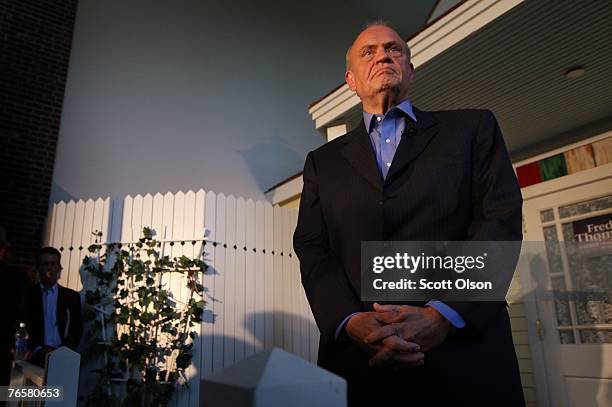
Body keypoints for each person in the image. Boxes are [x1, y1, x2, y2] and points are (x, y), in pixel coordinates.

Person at [293, 21, 524, 406]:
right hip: (362, 364)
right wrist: (351, 321)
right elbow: (314, 248)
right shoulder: (322, 163)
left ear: (411, 70)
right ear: (351, 80)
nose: (383, 54)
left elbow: (498, 222)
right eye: (369, 52)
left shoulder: (472, 128)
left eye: (394, 48)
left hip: (464, 360)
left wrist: (443, 315)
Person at [22, 247, 83, 366]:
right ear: (39, 268)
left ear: (59, 267)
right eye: (45, 264)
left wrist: (63, 351)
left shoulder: (71, 297)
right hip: (34, 357)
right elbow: (24, 323)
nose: (50, 268)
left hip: (62, 357)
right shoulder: (28, 294)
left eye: (53, 264)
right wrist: (38, 350)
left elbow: (77, 328)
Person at [0, 238, 29, 387]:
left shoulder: (18, 278)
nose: (3, 251)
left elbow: (23, 313)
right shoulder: (18, 277)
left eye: (6, 248)